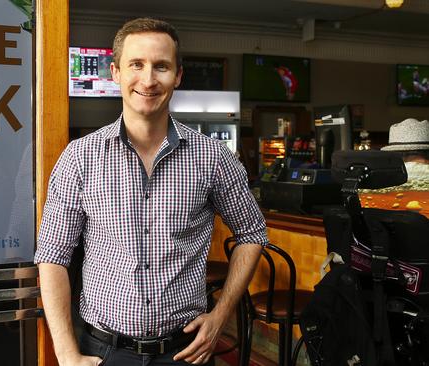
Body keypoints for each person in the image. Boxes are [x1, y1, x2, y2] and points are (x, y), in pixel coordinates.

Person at [35, 17, 267, 366]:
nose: (148, 79)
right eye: (136, 65)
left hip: (185, 351)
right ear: (115, 72)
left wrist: (221, 316)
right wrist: (66, 353)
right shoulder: (80, 157)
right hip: (103, 351)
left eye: (161, 66)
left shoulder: (213, 157)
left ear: (178, 75)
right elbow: (53, 255)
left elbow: (252, 232)